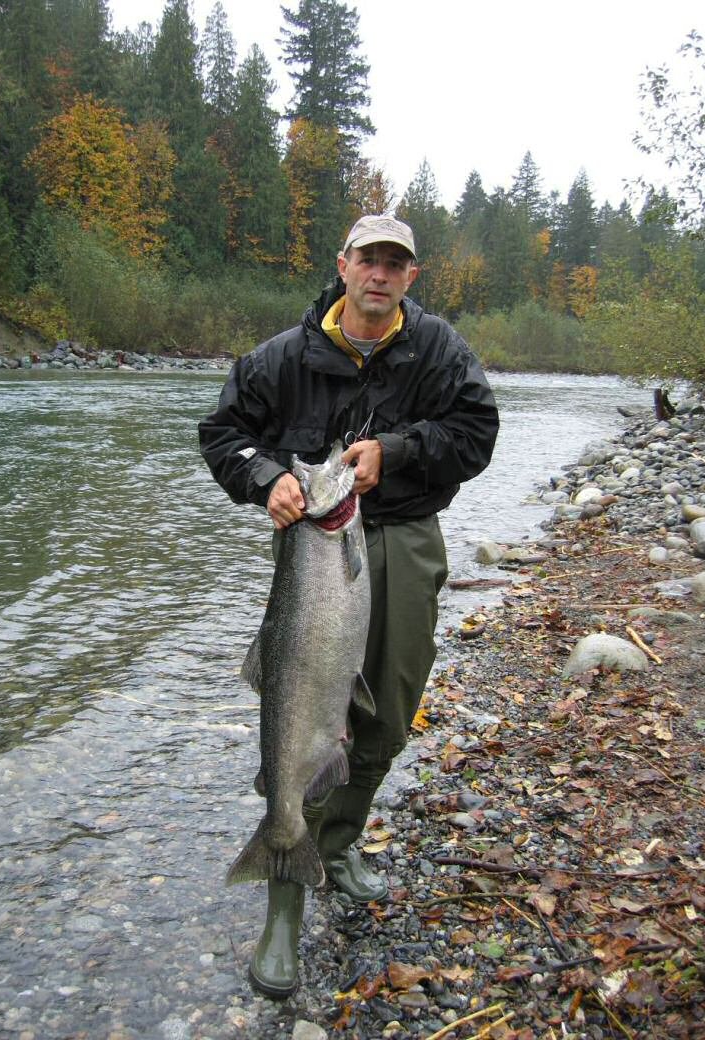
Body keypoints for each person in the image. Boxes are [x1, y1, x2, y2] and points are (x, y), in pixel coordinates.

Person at [198, 214, 499, 998]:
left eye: (395, 263)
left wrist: (394, 452)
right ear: (343, 265)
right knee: (299, 713)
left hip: (403, 538)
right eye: (369, 259)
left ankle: (337, 845)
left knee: (388, 716)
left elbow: (477, 434)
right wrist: (267, 479)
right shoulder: (282, 357)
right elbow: (220, 433)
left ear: (410, 277)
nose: (380, 274)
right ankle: (285, 894)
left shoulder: (438, 350)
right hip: (314, 551)